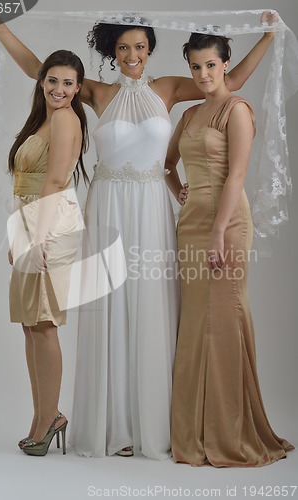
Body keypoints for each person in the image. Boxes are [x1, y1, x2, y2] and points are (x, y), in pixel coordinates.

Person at [0, 12, 277, 459]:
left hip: (152, 208)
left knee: (152, 302)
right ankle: (112, 424)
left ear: (150, 49)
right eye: (123, 48)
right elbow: (38, 68)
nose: (132, 55)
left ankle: (153, 424)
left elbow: (229, 79)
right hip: (109, 206)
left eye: (139, 47)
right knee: (110, 307)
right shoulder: (98, 93)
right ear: (111, 53)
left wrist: (269, 35)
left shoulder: (170, 88)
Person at [165, 32, 294, 467]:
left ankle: (230, 430)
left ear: (225, 66)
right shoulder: (187, 114)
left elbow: (236, 177)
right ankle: (192, 432)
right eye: (196, 67)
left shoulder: (236, 111)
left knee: (224, 319)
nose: (203, 75)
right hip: (191, 224)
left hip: (228, 223)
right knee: (195, 322)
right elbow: (166, 165)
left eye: (211, 66)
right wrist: (180, 189)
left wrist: (219, 231)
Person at [7, 49, 88, 456]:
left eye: (68, 83)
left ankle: (50, 417)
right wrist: (16, 236)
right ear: (42, 81)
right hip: (30, 222)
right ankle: (43, 417)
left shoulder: (65, 119)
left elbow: (56, 181)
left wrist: (36, 240)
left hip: (51, 226)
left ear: (78, 88)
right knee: (29, 323)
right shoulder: (43, 117)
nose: (60, 89)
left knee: (44, 323)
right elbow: (25, 184)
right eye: (53, 80)